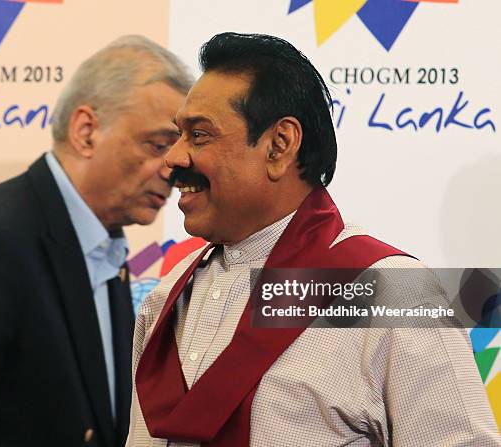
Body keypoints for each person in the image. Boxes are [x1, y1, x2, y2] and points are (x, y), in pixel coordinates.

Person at [127, 33, 500, 446]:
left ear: (279, 146)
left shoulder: (394, 295)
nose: (174, 158)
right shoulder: (163, 301)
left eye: (199, 135)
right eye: (179, 135)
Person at [0, 35, 192, 447]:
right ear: (86, 131)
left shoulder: (108, 254)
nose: (172, 167)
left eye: (177, 152)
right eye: (158, 145)